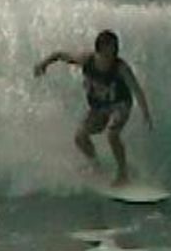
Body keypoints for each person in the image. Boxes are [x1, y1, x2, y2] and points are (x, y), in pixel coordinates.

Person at [34, 30, 153, 186]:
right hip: (99, 108)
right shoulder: (86, 59)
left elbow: (136, 89)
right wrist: (43, 63)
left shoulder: (120, 67)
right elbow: (60, 55)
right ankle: (96, 165)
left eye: (114, 49)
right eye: (108, 50)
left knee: (112, 135)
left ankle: (123, 174)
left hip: (120, 105)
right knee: (80, 137)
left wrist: (145, 113)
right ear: (99, 49)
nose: (112, 54)